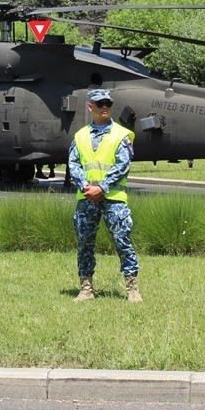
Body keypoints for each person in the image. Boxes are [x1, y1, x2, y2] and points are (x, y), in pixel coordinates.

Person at [67, 88, 141, 303]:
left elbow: (123, 164)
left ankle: (132, 289)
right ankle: (86, 289)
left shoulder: (121, 135)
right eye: (100, 104)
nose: (105, 107)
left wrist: (102, 187)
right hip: (86, 197)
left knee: (122, 240)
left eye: (108, 103)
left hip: (114, 199)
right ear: (90, 106)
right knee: (85, 243)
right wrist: (85, 186)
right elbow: (74, 164)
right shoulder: (80, 136)